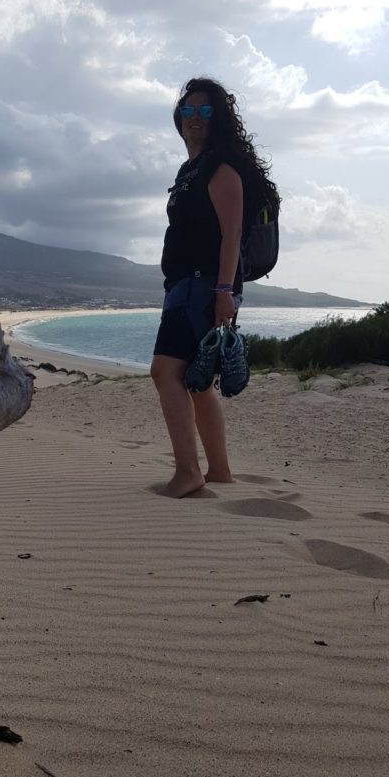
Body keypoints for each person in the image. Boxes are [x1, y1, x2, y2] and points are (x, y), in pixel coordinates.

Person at [150, 78, 279, 498]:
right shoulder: (191, 168)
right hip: (189, 284)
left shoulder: (221, 167)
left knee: (164, 371)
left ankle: (188, 472)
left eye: (204, 111)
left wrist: (224, 291)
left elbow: (232, 232)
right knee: (196, 379)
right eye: (187, 110)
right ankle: (219, 471)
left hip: (203, 284)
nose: (194, 118)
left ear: (218, 118)